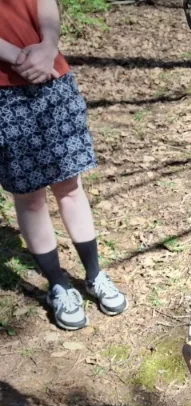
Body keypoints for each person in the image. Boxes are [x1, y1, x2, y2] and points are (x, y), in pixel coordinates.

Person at [0, 0, 127, 330]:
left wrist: (48, 47)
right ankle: (58, 284)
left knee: (70, 186)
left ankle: (95, 274)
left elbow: (44, 4)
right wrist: (17, 58)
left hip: (53, 79)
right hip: (3, 94)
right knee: (30, 197)